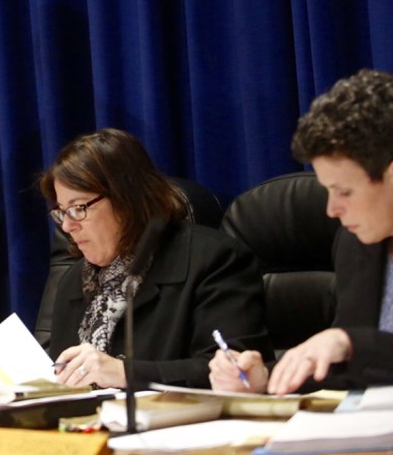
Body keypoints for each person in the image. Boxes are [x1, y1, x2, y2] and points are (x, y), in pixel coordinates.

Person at [40, 128, 272, 389]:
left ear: (127, 200)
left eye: (78, 208)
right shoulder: (73, 282)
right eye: (62, 212)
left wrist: (124, 372)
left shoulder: (215, 260)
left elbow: (235, 374)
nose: (68, 226)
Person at [210, 68, 393, 394]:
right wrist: (267, 377)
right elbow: (350, 366)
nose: (331, 210)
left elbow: (356, 347)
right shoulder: (357, 243)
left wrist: (351, 343)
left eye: (344, 192)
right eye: (328, 191)